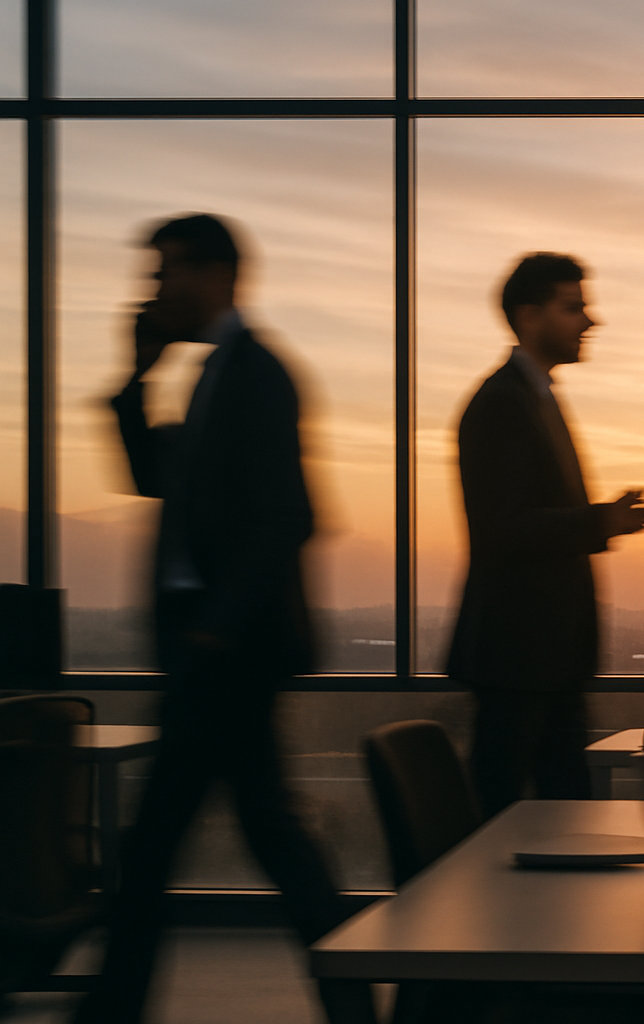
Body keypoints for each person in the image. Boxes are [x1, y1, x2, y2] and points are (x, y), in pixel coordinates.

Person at [74, 214, 374, 1024]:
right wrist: (135, 378)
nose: (154, 289)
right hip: (220, 651)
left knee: (161, 848)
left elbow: (288, 516)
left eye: (166, 271)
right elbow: (152, 480)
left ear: (215, 276)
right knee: (262, 836)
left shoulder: (256, 375)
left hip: (225, 654)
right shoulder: (212, 377)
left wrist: (215, 629)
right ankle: (352, 1000)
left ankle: (111, 1012)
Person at [447, 252, 644, 815]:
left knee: (559, 812)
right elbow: (503, 527)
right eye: (573, 307)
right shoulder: (502, 404)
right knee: (512, 816)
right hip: (520, 658)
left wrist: (600, 522)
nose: (590, 320)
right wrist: (601, 522)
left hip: (543, 658)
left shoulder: (531, 398)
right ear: (529, 315)